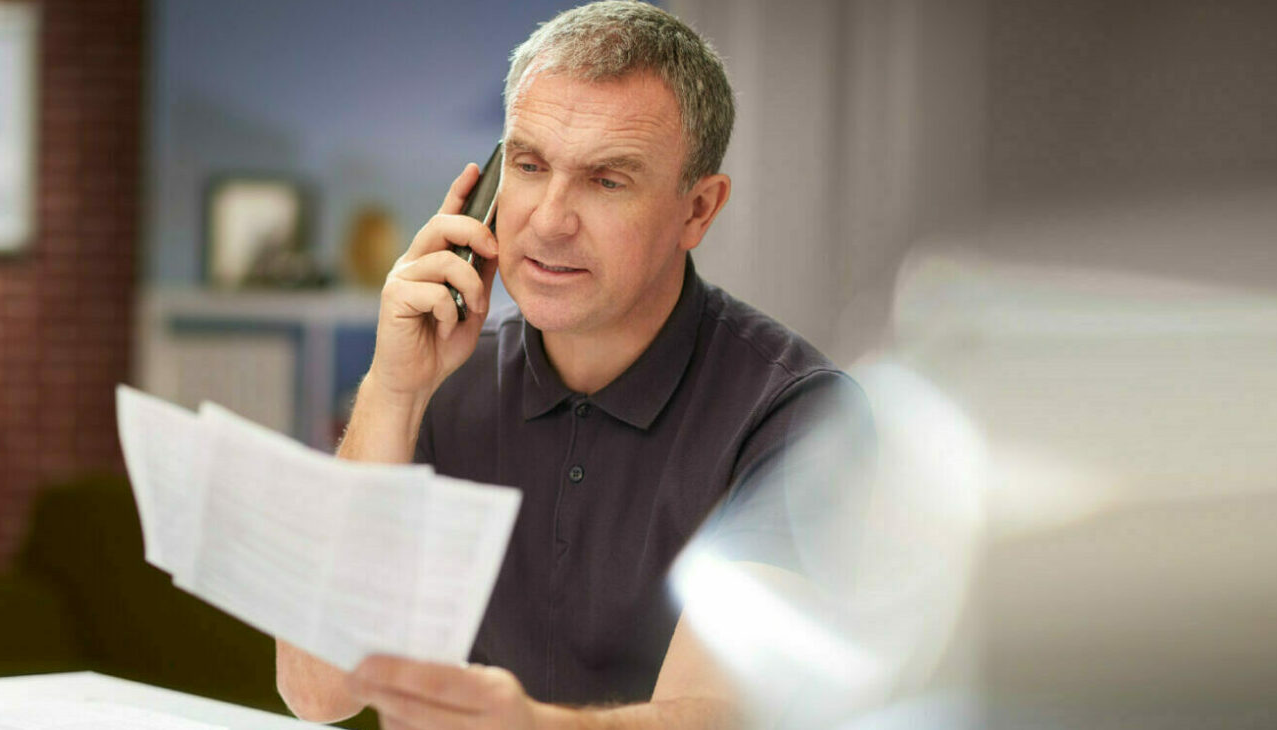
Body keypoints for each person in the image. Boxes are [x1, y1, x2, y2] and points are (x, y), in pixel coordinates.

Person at [277, 2, 872, 727]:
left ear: (697, 210)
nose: (550, 219)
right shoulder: (439, 380)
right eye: (528, 166)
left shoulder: (800, 417)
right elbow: (316, 692)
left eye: (606, 180)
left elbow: (718, 713)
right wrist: (394, 388)